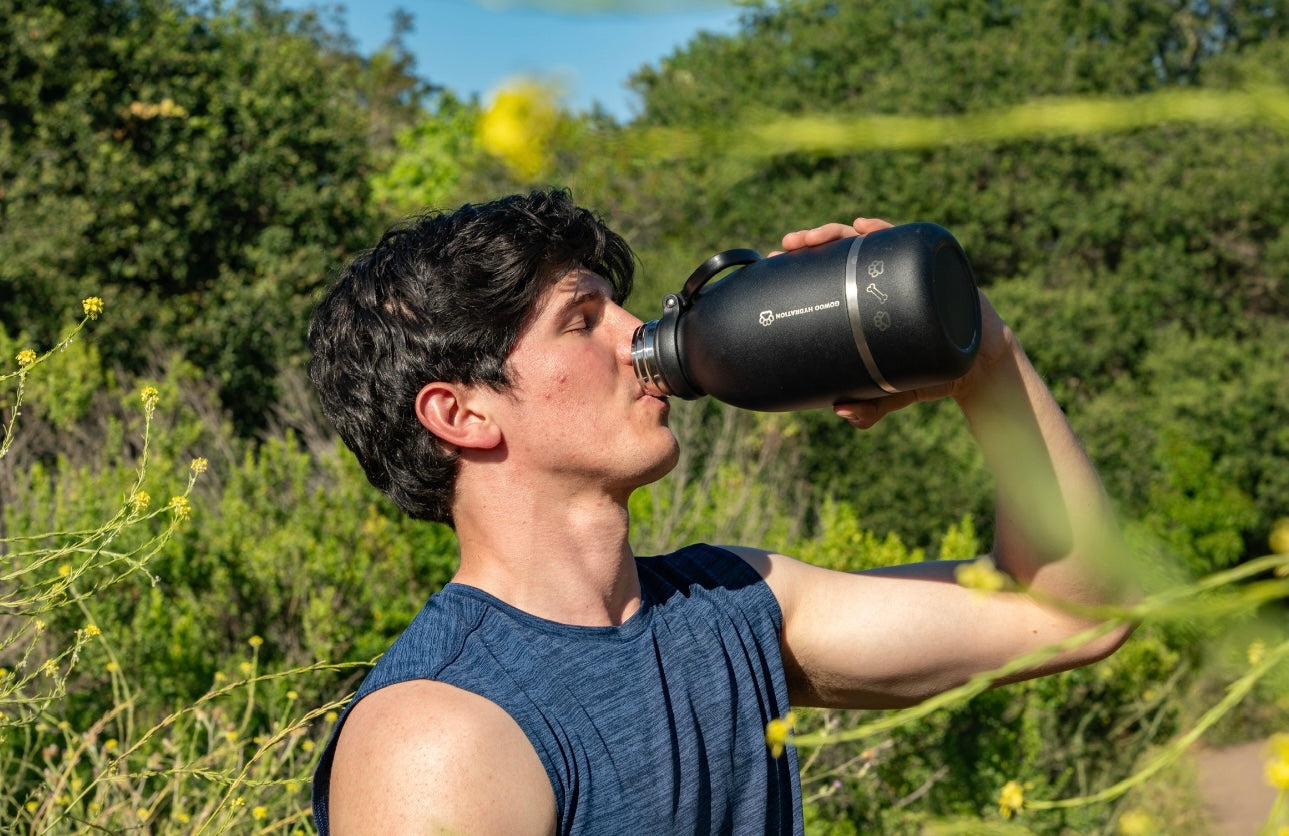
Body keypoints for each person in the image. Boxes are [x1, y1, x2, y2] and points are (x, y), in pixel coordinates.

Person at [306, 188, 1132, 835]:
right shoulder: (437, 733)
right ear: (461, 415)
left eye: (619, 307)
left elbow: (1070, 613)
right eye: (582, 320)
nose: (641, 335)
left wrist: (982, 358)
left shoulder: (731, 608)